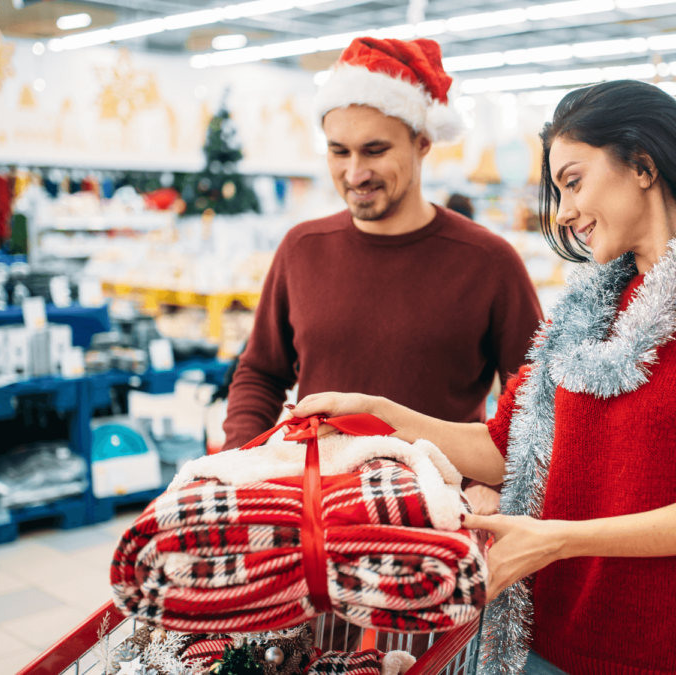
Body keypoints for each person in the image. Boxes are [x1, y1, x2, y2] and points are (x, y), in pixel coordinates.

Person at [293, 80, 676, 675]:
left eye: (573, 181)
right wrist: (380, 413)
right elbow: (505, 449)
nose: (563, 212)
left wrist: (562, 539)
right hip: (541, 642)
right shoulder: (583, 313)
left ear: (643, 165)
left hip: (672, 651)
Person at [223, 36, 543, 650]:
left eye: (375, 149)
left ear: (423, 143)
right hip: (309, 527)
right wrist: (241, 468)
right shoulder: (301, 250)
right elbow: (260, 372)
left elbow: (539, 406)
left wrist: (496, 486)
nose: (354, 171)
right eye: (338, 151)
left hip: (432, 544)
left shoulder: (488, 263)